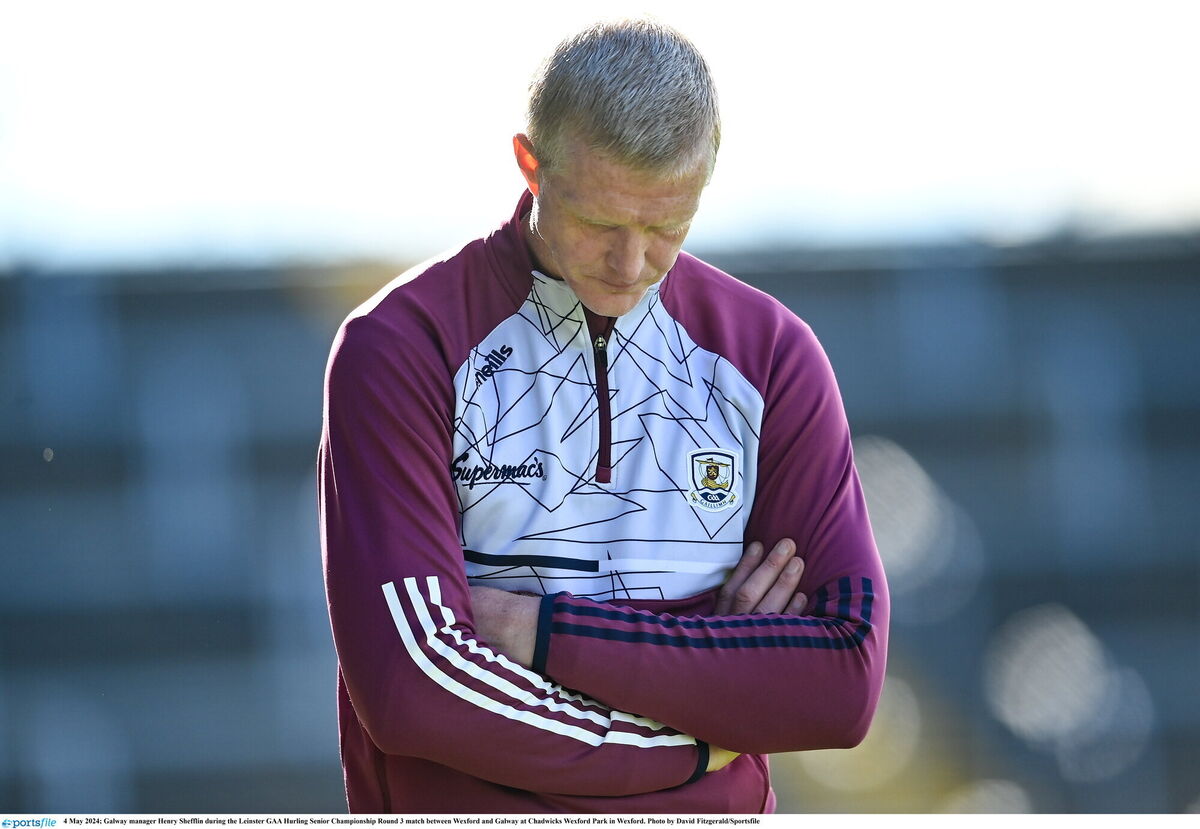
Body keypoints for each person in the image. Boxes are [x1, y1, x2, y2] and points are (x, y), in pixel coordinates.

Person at [319, 17, 888, 813]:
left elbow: (840, 683)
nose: (630, 266)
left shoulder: (772, 356)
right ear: (530, 165)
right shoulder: (403, 345)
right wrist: (706, 724)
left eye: (666, 227)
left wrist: (541, 633)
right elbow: (411, 687)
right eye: (598, 224)